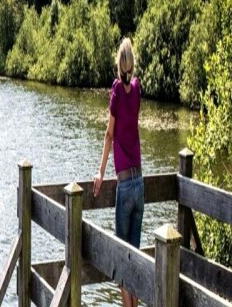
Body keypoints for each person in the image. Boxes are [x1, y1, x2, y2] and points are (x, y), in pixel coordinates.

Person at [93, 37, 143, 307]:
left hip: (124, 185)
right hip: (140, 184)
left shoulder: (116, 90)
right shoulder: (136, 89)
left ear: (118, 64)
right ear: (132, 65)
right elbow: (130, 126)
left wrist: (100, 172)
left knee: (122, 263)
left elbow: (110, 133)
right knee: (133, 258)